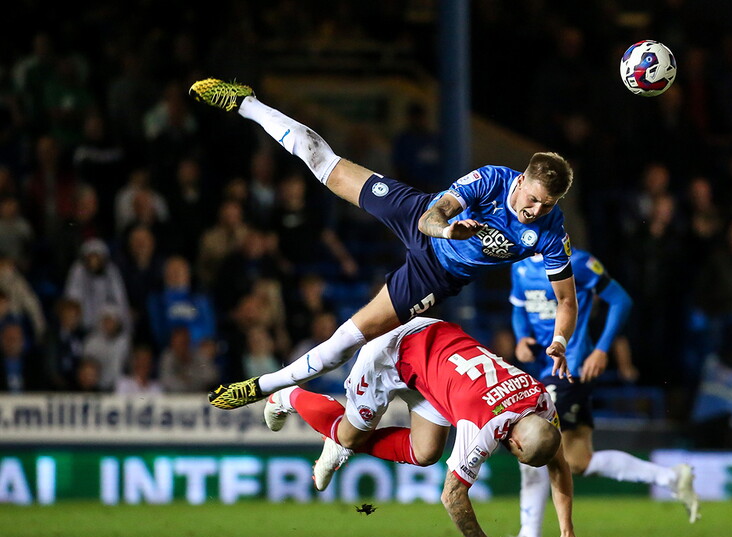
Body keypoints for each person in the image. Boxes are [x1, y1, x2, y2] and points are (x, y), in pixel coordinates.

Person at [190, 78, 578, 410]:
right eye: (534, 198)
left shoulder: (550, 231)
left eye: (547, 204)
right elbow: (431, 217)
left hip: (435, 276)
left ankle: (262, 387)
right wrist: (448, 231)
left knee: (346, 342)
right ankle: (246, 102)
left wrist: (559, 340)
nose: (536, 209)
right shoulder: (492, 179)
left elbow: (565, 301)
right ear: (523, 180)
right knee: (323, 162)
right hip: (416, 214)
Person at [262, 317, 598, 537]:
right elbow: (451, 496)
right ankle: (289, 397)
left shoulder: (542, 403)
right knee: (350, 435)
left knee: (425, 453)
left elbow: (559, 462)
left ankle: (337, 442)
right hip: (393, 351)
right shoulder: (482, 426)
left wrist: (566, 530)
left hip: (439, 350)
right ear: (513, 442)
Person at [504, 248, 699, 537]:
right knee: (578, 461)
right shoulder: (520, 266)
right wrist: (520, 337)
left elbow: (621, 300)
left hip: (571, 368)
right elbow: (518, 306)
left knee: (531, 447)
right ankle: (670, 477)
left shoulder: (578, 263)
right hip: (546, 369)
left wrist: (602, 348)